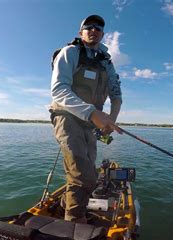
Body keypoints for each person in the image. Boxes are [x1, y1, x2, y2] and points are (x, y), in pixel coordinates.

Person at [49, 15, 122, 223]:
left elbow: (116, 96)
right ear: (81, 33)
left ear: (102, 34)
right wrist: (93, 113)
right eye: (88, 27)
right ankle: (74, 224)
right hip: (66, 117)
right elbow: (59, 90)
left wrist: (110, 120)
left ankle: (66, 204)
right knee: (83, 176)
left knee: (89, 173)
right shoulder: (70, 52)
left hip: (91, 123)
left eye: (98, 28)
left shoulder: (107, 64)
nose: (93, 30)